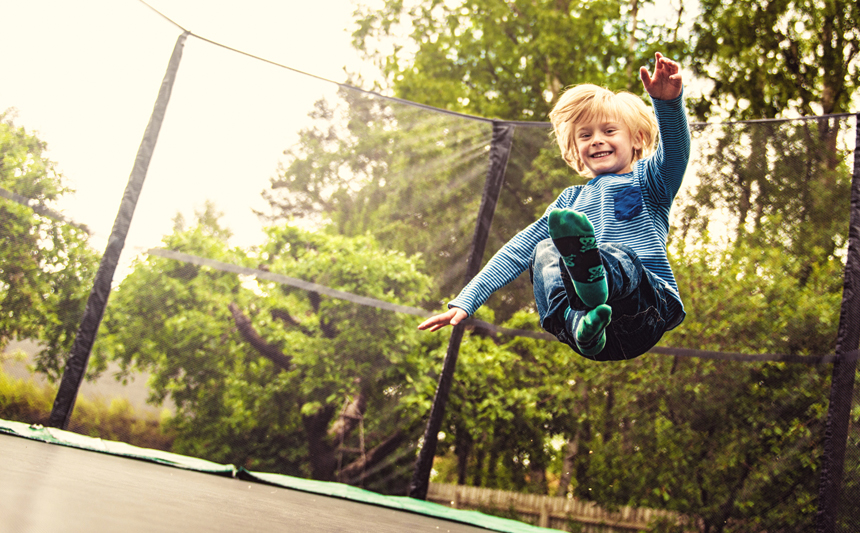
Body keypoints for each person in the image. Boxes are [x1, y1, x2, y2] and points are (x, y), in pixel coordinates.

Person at [418, 52, 690, 361]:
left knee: (620, 255)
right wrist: (467, 300)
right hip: (597, 332)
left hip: (643, 310)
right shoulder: (569, 204)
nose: (596, 141)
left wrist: (668, 103)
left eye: (609, 131)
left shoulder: (649, 181)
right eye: (585, 135)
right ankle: (580, 322)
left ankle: (595, 284)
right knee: (543, 249)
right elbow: (516, 250)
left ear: (638, 138)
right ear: (576, 148)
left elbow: (676, 154)